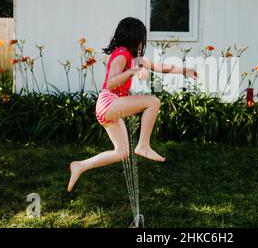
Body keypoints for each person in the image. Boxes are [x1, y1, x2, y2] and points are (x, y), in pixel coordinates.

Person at [67, 17, 198, 192]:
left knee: (121, 153)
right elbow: (111, 83)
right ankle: (143, 145)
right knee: (153, 101)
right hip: (108, 102)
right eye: (141, 39)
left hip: (109, 108)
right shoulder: (122, 54)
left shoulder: (133, 58)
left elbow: (158, 66)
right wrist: (132, 71)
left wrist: (184, 70)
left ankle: (80, 166)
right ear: (134, 38)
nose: (142, 43)